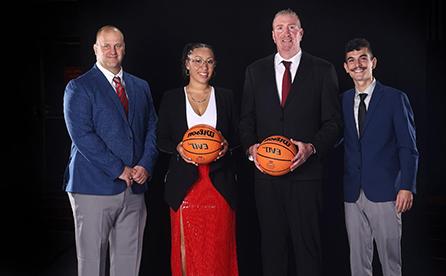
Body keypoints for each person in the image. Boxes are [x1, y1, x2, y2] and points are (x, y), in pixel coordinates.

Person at [239, 9, 342, 276]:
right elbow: (246, 120)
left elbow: (334, 123)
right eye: (280, 28)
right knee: (272, 249)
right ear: (272, 35)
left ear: (301, 33)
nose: (286, 33)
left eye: (292, 27)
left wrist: (311, 148)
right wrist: (252, 150)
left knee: (308, 248)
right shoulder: (255, 71)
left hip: (306, 178)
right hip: (267, 178)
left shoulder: (323, 69)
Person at [63, 25, 158, 276]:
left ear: (124, 47)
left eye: (118, 45)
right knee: (92, 262)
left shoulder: (140, 86)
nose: (112, 51)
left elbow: (152, 128)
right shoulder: (79, 87)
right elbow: (82, 136)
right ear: (95, 49)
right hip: (92, 187)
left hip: (135, 187)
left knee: (129, 262)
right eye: (106, 45)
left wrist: (145, 165)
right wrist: (119, 169)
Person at [156, 42, 239, 276]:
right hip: (184, 185)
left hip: (219, 184)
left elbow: (238, 136)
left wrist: (226, 146)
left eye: (210, 61)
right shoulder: (172, 98)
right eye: (198, 60)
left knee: (218, 248)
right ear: (187, 64)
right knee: (187, 248)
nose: (204, 66)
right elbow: (160, 138)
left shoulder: (226, 97)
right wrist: (178, 148)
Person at [341, 38, 419, 276]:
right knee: (358, 261)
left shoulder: (395, 98)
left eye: (363, 58)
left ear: (373, 62)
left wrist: (406, 185)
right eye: (351, 60)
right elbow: (337, 137)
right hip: (353, 192)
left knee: (390, 261)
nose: (358, 65)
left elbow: (408, 146)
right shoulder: (343, 100)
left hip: (386, 191)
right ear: (345, 67)